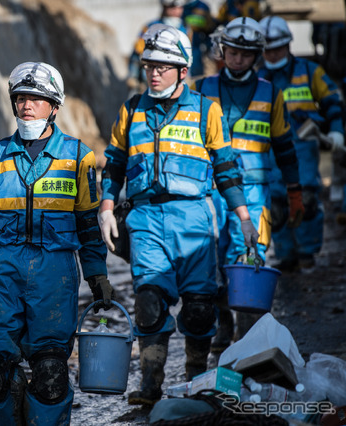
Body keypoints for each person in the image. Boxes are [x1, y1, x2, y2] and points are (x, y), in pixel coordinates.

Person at [99, 24, 252, 406]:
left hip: (194, 219)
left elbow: (227, 168)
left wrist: (244, 218)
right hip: (146, 219)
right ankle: (151, 387)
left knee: (200, 308)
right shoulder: (132, 109)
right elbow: (114, 163)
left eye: (163, 67)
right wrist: (105, 207)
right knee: (149, 303)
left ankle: (197, 380)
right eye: (149, 65)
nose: (153, 72)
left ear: (183, 70)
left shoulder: (205, 110)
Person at [0, 61, 112, 425]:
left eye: (37, 99)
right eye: (21, 98)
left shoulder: (78, 156)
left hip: (54, 275)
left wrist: (97, 275)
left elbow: (87, 224)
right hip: (3, 273)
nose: (27, 105)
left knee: (50, 373)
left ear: (55, 106)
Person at [194, 17, 301, 352]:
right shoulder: (203, 89)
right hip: (212, 191)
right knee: (212, 262)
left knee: (247, 260)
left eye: (245, 53)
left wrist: (294, 190)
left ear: (257, 55)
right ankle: (223, 328)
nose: (238, 58)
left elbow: (285, 147)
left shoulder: (271, 93)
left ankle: (246, 340)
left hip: (254, 195)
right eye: (232, 52)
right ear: (222, 50)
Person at [258, 15, 345, 271]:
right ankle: (286, 256)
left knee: (305, 201)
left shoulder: (309, 71)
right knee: (277, 206)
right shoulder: (258, 76)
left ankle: (307, 254)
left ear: (288, 45)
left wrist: (337, 131)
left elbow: (332, 102)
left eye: (277, 48)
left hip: (303, 146)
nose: (272, 55)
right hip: (269, 150)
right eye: (267, 50)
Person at [128, 0, 188, 93]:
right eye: (172, 7)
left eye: (179, 8)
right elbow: (137, 53)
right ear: (164, 7)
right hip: (149, 83)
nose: (176, 11)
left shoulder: (185, 28)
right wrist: (133, 75)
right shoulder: (151, 27)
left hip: (178, 82)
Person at [182, 0, 215, 78]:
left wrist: (209, 46)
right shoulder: (180, 6)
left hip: (199, 47)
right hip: (184, 46)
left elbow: (210, 28)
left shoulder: (203, 7)